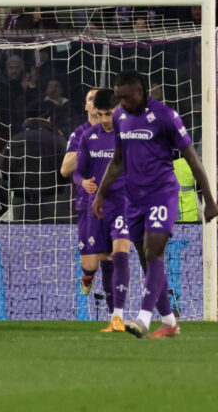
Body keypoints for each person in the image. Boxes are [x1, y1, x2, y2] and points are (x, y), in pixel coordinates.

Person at [93, 70, 218, 338]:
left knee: (153, 253)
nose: (122, 103)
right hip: (133, 199)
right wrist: (100, 193)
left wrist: (209, 199)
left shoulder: (165, 116)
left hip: (162, 193)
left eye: (126, 97)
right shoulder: (120, 118)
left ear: (141, 91)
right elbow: (118, 161)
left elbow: (192, 158)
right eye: (119, 98)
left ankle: (143, 318)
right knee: (145, 258)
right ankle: (170, 322)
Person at [73, 89, 130, 333]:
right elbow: (77, 172)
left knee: (118, 256)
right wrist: (82, 183)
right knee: (94, 264)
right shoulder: (88, 136)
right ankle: (87, 275)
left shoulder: (129, 136)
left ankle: (116, 317)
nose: (106, 119)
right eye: (101, 114)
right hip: (95, 207)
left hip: (123, 205)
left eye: (110, 113)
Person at [60, 88, 99, 292]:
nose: (94, 102)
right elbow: (65, 170)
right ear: (85, 106)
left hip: (115, 200)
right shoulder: (79, 133)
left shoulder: (118, 130)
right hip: (87, 201)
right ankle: (88, 275)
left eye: (98, 99)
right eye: (90, 99)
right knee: (90, 263)